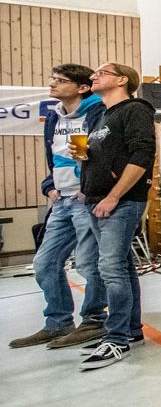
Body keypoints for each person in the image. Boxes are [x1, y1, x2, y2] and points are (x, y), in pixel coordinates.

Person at [9, 64, 108, 349]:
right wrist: (49, 186)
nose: (53, 84)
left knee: (89, 263)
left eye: (61, 80)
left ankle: (94, 320)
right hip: (61, 200)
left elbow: (98, 154)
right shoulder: (54, 116)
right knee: (44, 263)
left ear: (82, 87)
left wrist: (88, 189)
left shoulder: (98, 112)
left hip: (84, 199)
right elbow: (54, 157)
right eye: (53, 79)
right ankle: (58, 322)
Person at [75, 62, 156, 371]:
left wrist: (114, 196)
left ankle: (116, 338)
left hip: (120, 202)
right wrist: (84, 172)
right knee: (121, 266)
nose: (93, 76)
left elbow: (142, 155)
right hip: (96, 201)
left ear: (122, 80)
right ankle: (131, 330)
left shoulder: (135, 110)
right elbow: (99, 158)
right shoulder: (102, 116)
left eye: (102, 72)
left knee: (111, 268)